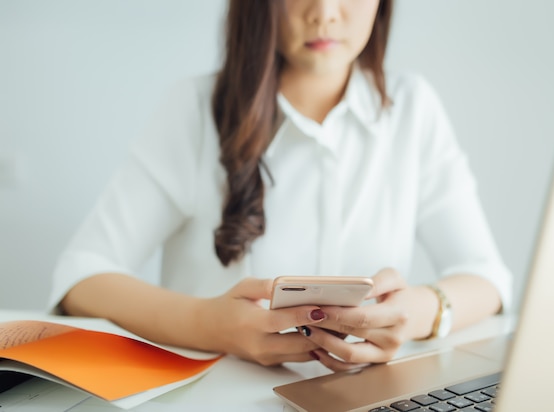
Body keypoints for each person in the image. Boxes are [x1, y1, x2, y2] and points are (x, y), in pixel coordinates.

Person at [49, 0, 512, 372]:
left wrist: (419, 313)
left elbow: (488, 277)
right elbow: (80, 274)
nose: (325, 11)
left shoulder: (413, 107)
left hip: (366, 398)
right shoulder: (195, 108)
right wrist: (209, 324)